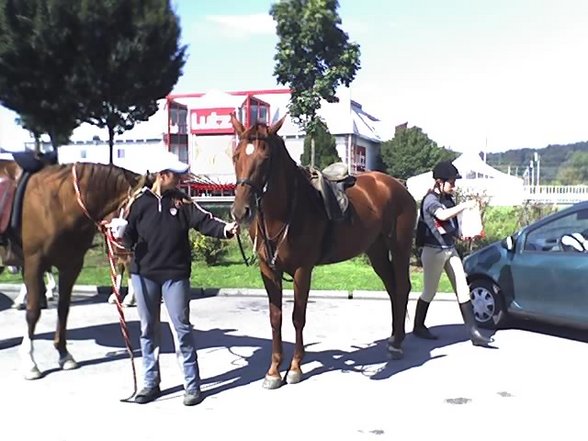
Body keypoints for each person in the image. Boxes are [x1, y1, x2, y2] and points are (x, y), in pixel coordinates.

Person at [111, 153, 239, 406]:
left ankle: (192, 386)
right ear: (162, 175)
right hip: (143, 274)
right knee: (148, 330)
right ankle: (150, 384)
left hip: (175, 276)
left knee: (182, 330)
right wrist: (119, 234)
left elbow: (205, 221)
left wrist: (226, 230)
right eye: (176, 174)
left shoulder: (182, 202)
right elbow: (126, 239)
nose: (181, 179)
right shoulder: (137, 203)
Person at [413, 160, 493, 347]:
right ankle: (418, 326)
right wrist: (465, 205)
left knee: (463, 289)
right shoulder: (430, 201)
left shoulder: (447, 199)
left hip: (449, 250)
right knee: (429, 292)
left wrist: (463, 235)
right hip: (433, 252)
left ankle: (474, 333)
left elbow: (449, 225)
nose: (454, 186)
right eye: (451, 182)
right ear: (439, 182)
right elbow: (441, 216)